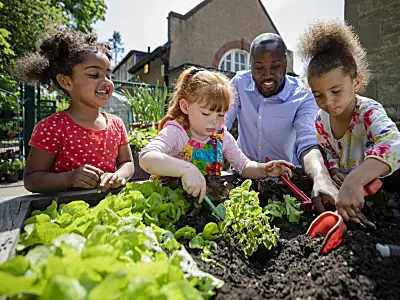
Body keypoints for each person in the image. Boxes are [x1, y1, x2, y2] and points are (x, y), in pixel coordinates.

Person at [298, 20, 400, 226]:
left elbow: (394, 145)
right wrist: (334, 171)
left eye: (336, 91)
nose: (328, 102)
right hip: (351, 195)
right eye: (318, 95)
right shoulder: (321, 120)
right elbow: (329, 152)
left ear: (357, 82)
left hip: (385, 189)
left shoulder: (369, 112)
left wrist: (355, 179)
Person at [139, 67, 295, 202]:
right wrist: (186, 169)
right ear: (185, 107)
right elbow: (147, 157)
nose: (214, 122)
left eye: (221, 114)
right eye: (206, 113)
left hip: (204, 205)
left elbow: (243, 165)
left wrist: (264, 169)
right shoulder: (177, 132)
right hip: (170, 204)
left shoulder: (221, 137)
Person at [225, 33, 337, 213]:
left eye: (275, 66)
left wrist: (321, 178)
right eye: (259, 68)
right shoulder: (239, 84)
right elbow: (220, 125)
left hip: (283, 182)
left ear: (285, 63)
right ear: (250, 65)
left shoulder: (302, 95)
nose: (267, 75)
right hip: (243, 175)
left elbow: (307, 143)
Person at [15, 28, 134, 193]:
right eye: (94, 74)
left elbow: (127, 163)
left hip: (109, 209)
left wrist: (118, 176)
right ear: (66, 82)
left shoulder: (117, 124)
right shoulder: (51, 127)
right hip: (66, 213)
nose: (106, 81)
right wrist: (70, 178)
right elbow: (32, 180)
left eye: (108, 75)